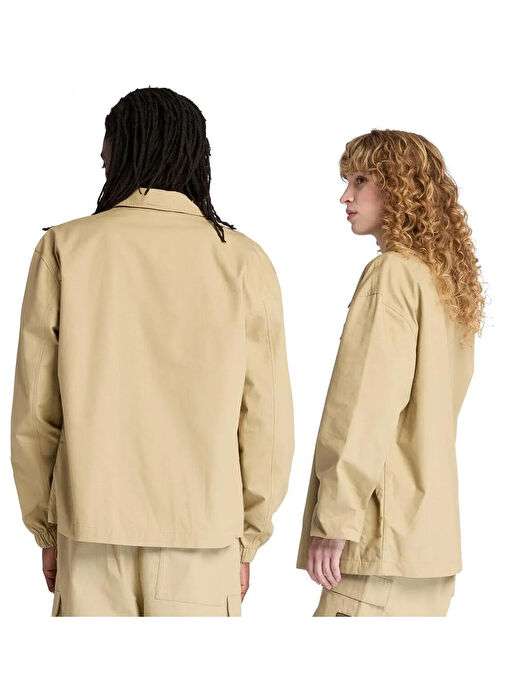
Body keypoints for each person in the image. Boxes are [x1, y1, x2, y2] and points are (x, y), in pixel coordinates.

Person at [10, 87, 294, 617]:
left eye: (106, 151)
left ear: (122, 152)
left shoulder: (65, 247)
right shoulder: (243, 260)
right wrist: (247, 538)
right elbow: (266, 418)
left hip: (89, 532)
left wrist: (46, 530)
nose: (101, 161)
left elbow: (35, 411)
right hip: (203, 533)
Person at [296, 129, 485, 617]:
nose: (346, 196)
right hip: (428, 546)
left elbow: (364, 406)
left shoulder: (394, 274)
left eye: (361, 180)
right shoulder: (446, 284)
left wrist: (335, 519)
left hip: (378, 541)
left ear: (402, 187)